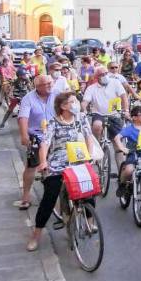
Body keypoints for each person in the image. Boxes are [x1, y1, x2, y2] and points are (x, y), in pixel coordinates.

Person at [26, 91, 95, 251]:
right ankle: (36, 236)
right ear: (63, 106)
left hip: (78, 159)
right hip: (57, 164)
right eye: (72, 102)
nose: (76, 104)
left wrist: (89, 156)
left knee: (89, 189)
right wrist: (43, 162)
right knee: (49, 199)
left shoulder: (81, 118)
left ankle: (90, 221)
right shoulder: (53, 123)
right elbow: (45, 143)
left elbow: (88, 137)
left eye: (76, 101)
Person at [16, 75, 58, 210]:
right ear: (37, 87)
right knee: (31, 165)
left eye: (51, 82)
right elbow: (23, 118)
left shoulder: (57, 95)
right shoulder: (28, 98)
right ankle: (26, 195)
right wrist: (24, 135)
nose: (50, 85)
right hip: (37, 134)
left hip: (55, 133)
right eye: (46, 84)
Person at [114, 105, 141, 197]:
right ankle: (122, 184)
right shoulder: (130, 129)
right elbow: (117, 138)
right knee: (129, 170)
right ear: (134, 117)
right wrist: (122, 148)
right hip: (133, 154)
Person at [82, 67, 130, 143]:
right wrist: (84, 110)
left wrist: (126, 110)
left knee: (118, 143)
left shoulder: (115, 82)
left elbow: (123, 97)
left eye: (106, 73)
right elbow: (85, 101)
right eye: (102, 75)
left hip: (115, 113)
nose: (105, 76)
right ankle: (97, 145)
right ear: (97, 77)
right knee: (97, 125)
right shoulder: (91, 88)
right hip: (99, 114)